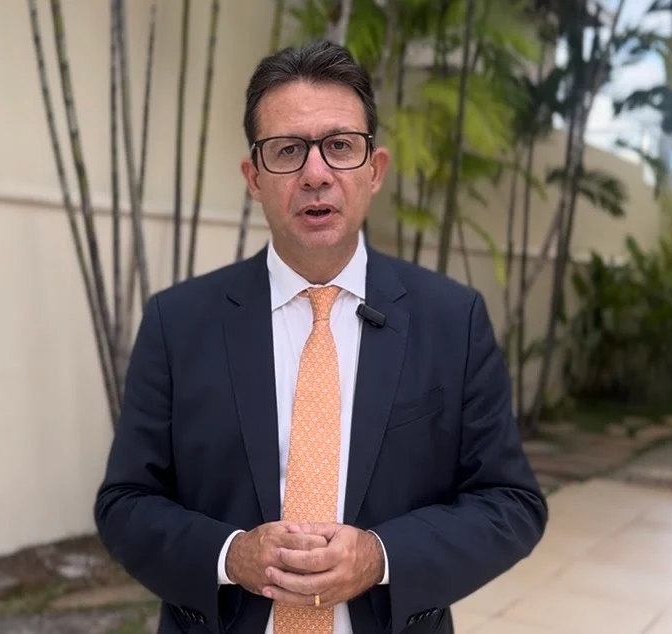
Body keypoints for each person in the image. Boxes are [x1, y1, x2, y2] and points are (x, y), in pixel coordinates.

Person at [94, 40, 548, 634]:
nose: (315, 174)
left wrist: (381, 557)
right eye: (287, 150)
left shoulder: (452, 320)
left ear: (374, 170)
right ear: (254, 177)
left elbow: (510, 503)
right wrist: (230, 556)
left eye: (339, 146)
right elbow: (125, 503)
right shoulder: (177, 323)